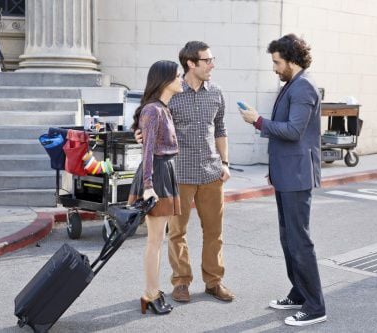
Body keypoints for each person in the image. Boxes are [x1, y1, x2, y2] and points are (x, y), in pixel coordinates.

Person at [135, 41, 234, 303]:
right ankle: (181, 281)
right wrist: (140, 134)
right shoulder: (172, 92)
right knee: (177, 233)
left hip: (212, 172)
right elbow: (150, 125)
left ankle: (214, 282)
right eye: (207, 60)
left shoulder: (217, 92)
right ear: (191, 63)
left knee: (214, 231)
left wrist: (225, 163)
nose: (212, 64)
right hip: (179, 175)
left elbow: (221, 129)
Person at [240, 34, 326, 327]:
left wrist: (258, 121)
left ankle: (315, 306)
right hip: (286, 173)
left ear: (292, 60)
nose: (274, 68)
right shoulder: (292, 84)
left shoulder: (303, 88)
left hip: (297, 176)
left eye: (277, 62)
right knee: (288, 238)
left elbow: (293, 131)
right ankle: (299, 292)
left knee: (299, 242)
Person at [127, 60, 183, 315]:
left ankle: (152, 290)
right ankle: (150, 293)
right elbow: (147, 151)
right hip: (157, 175)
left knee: (159, 239)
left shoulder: (163, 108)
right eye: (178, 76)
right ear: (165, 80)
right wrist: (148, 186)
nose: (181, 79)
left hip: (165, 172)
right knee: (155, 241)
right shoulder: (153, 110)